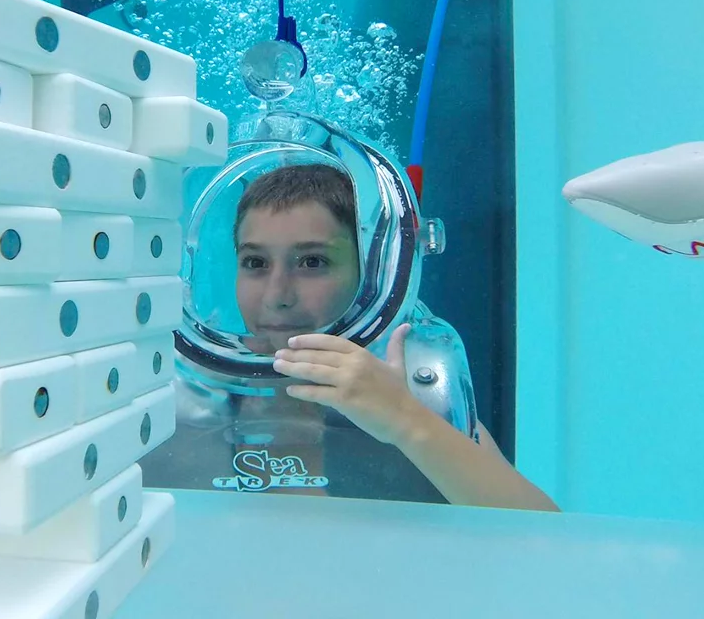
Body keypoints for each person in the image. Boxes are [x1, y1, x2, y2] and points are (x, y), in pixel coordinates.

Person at [232, 163, 559, 511]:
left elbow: (547, 538)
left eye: (312, 262)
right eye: (255, 263)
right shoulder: (192, 396)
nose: (277, 295)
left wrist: (402, 419)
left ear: (374, 273)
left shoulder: (406, 391)